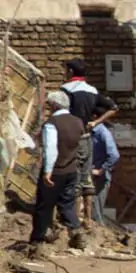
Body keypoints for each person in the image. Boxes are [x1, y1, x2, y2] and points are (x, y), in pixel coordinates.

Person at [61, 59, 119, 219]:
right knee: (86, 176)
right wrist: (95, 122)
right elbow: (114, 107)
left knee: (72, 176)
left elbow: (61, 113)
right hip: (86, 137)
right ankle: (87, 219)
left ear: (71, 71)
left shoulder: (66, 90)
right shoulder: (92, 90)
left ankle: (74, 217)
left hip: (71, 138)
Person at [31, 91, 85, 251]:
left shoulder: (52, 123)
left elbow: (51, 149)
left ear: (54, 106)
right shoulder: (78, 122)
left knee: (44, 206)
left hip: (56, 171)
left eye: (49, 105)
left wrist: (47, 171)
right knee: (67, 204)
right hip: (71, 170)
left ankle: (37, 241)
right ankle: (76, 230)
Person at [90, 120, 119, 225]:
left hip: (99, 176)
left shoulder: (102, 132)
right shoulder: (92, 131)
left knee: (96, 210)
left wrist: (101, 170)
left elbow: (114, 155)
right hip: (91, 173)